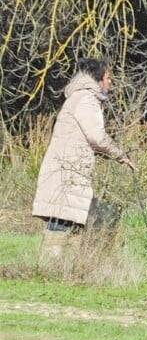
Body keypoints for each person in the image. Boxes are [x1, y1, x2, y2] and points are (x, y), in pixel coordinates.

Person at [32, 58, 135, 256]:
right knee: (61, 218)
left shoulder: (79, 97)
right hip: (69, 170)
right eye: (107, 78)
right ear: (97, 79)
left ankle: (64, 268)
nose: (110, 83)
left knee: (65, 217)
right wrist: (119, 154)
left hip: (67, 167)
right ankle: (52, 266)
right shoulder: (87, 99)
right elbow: (96, 136)